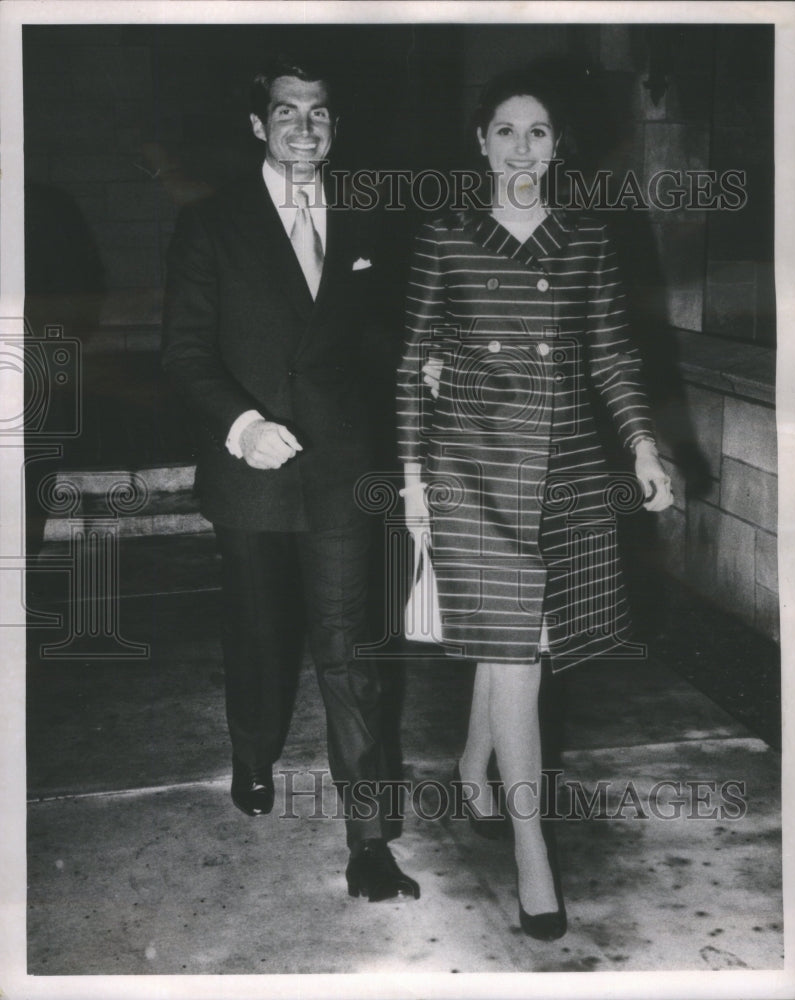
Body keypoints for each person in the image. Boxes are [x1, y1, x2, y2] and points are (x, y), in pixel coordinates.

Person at [396, 68, 672, 938]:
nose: (522, 147)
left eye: (539, 133)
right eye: (506, 131)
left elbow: (612, 357)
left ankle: (472, 769)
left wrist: (641, 444)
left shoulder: (587, 236)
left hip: (567, 471)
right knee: (516, 653)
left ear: (558, 148)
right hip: (470, 473)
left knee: (523, 644)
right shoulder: (447, 234)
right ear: (481, 143)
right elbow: (411, 364)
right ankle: (531, 854)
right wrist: (409, 479)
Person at [162, 53, 419, 903]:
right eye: (285, 112)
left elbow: (384, 340)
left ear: (334, 126)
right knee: (262, 636)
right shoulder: (212, 225)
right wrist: (242, 425)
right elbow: (186, 353)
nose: (302, 126)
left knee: (352, 654)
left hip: (344, 473)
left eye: (317, 113)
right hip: (251, 474)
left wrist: (426, 375)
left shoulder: (370, 221)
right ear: (257, 125)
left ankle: (370, 840)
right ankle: (254, 749)